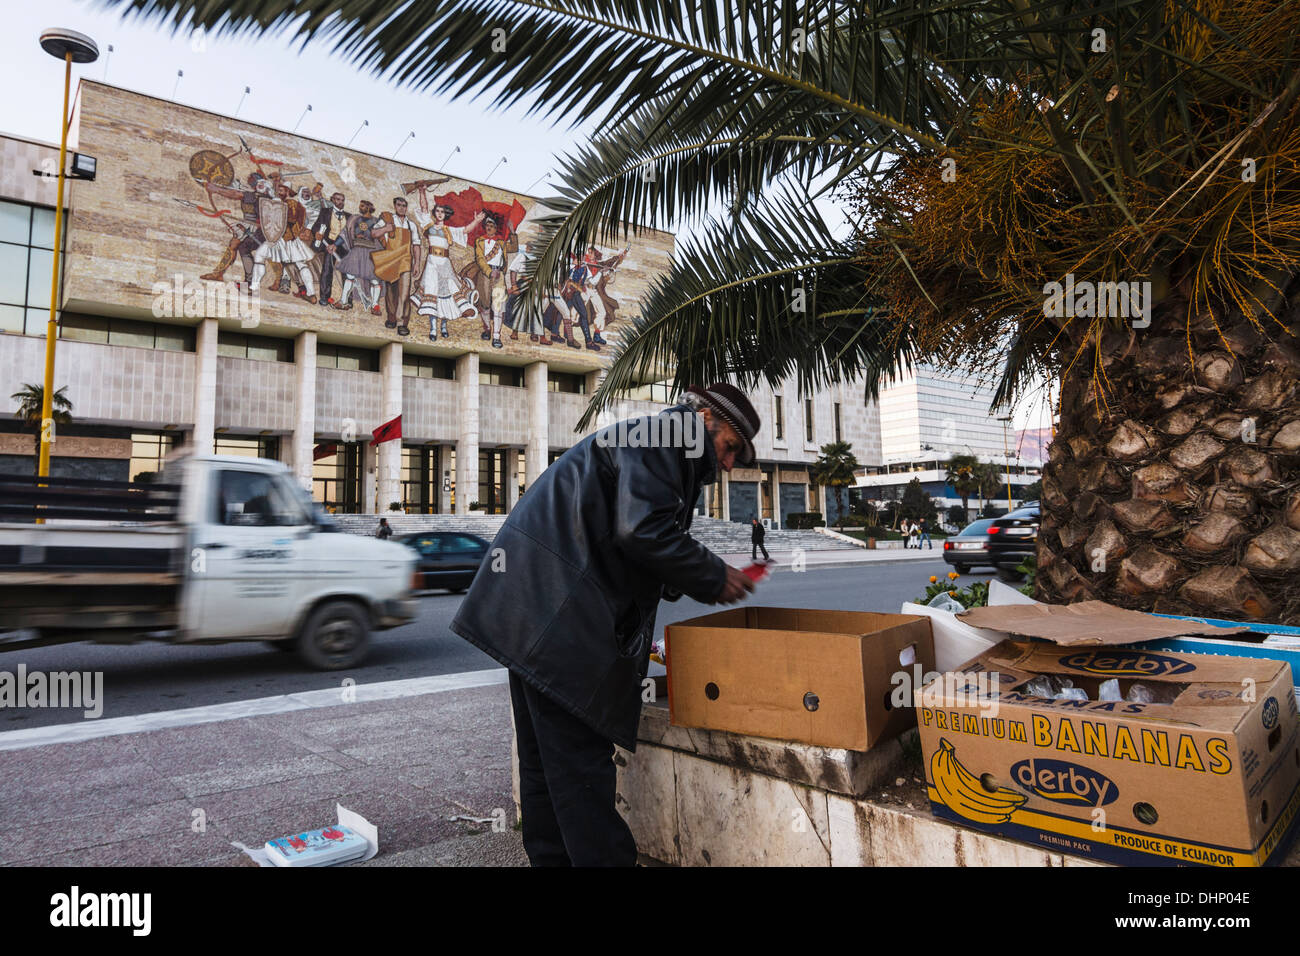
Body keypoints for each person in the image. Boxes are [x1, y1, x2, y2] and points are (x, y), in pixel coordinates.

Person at [450, 383, 762, 866]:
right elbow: (642, 531)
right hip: (557, 622)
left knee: (544, 766)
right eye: (730, 448)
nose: (728, 465)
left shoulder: (656, 441)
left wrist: (687, 573)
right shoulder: (665, 437)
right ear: (704, 420)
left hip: (530, 615)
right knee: (580, 770)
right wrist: (714, 575)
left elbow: (634, 537)